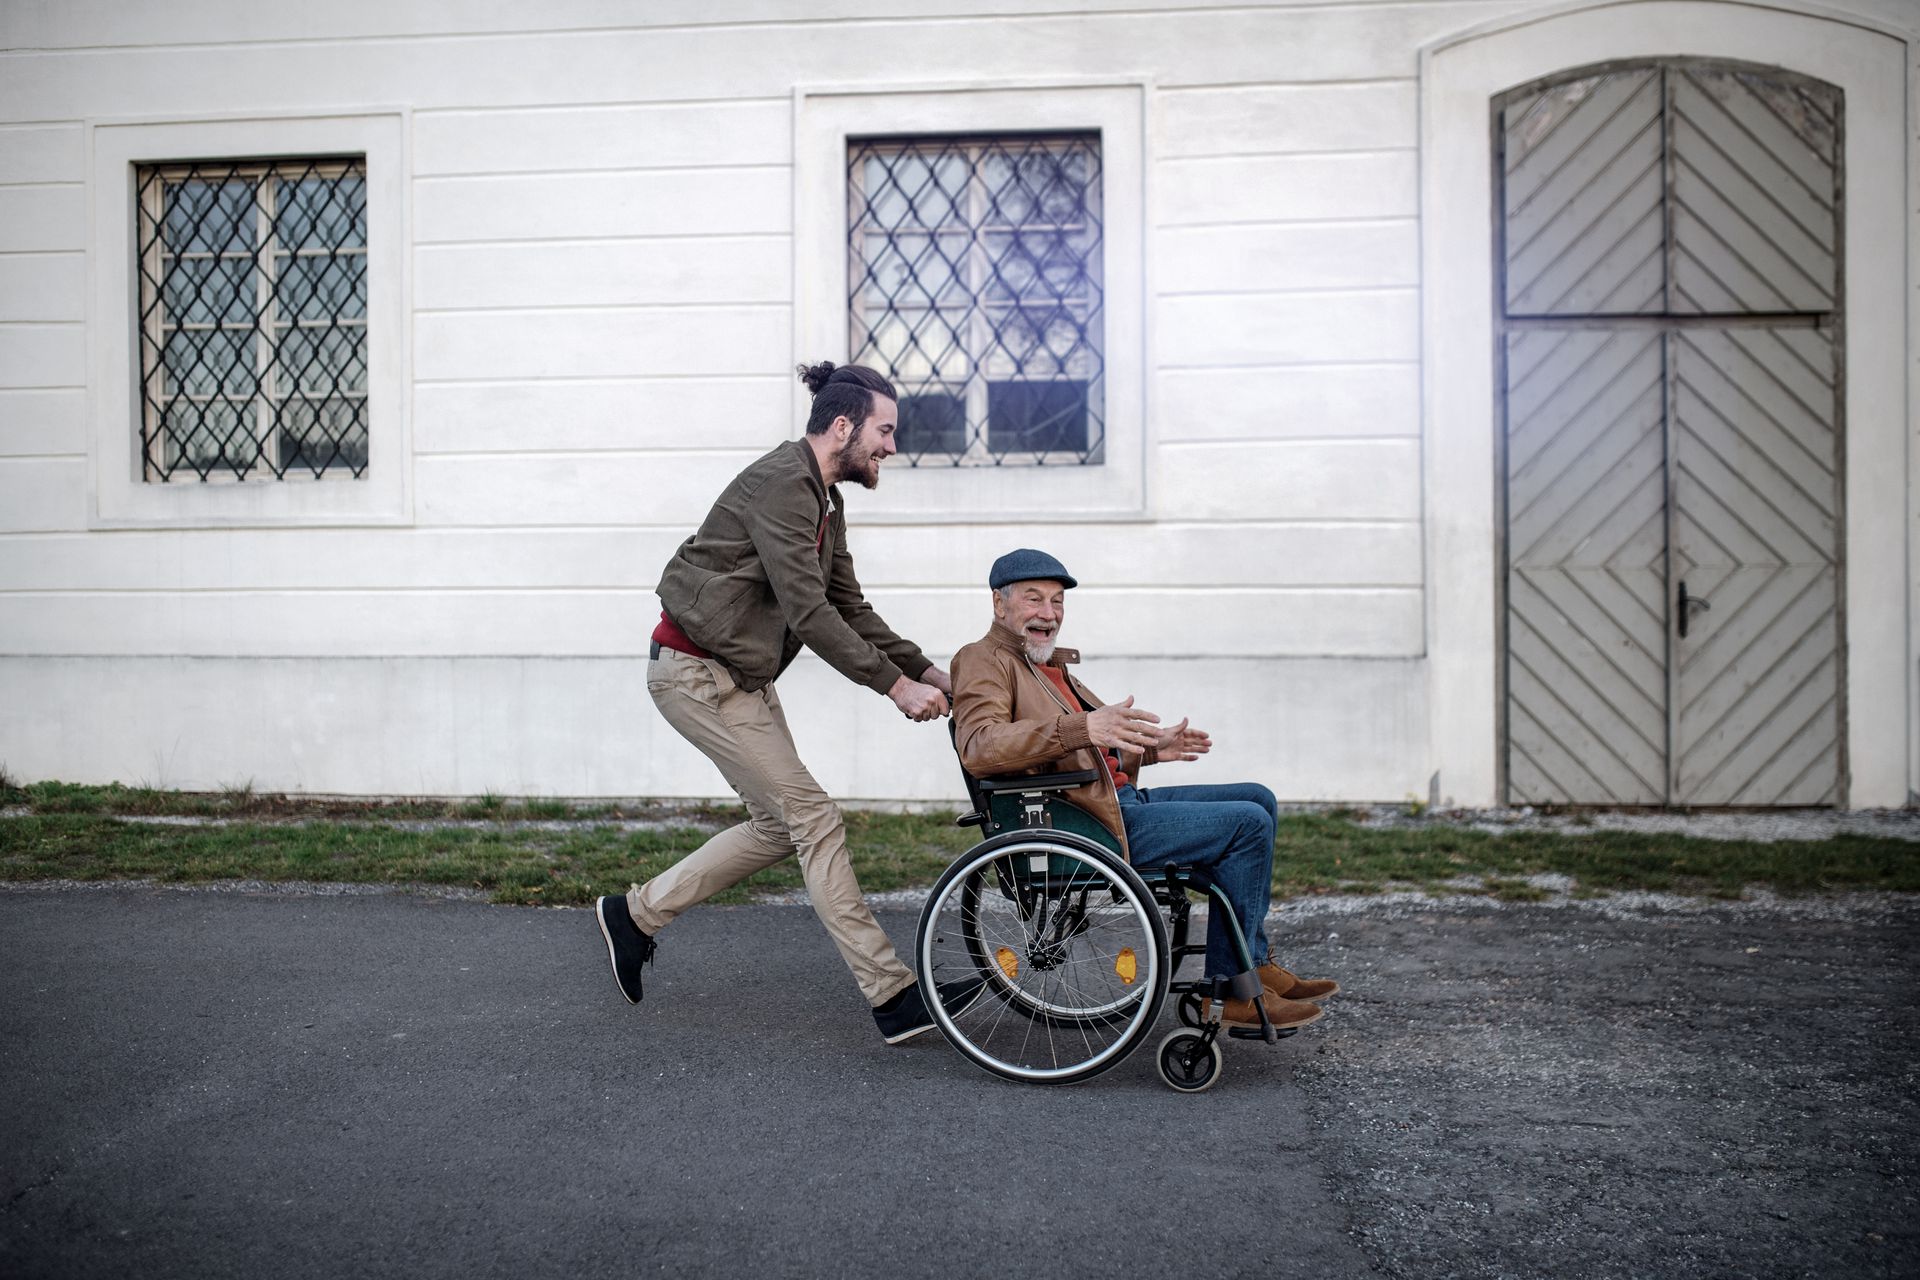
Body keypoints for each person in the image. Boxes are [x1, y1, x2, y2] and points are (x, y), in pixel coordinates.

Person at [595, 361, 961, 1044]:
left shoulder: (824, 499)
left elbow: (849, 606)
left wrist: (929, 671)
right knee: (815, 818)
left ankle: (635, 916)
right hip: (695, 675)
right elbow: (810, 612)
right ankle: (893, 996)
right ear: (844, 425)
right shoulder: (781, 487)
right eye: (885, 431)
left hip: (738, 677)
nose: (891, 446)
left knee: (778, 826)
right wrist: (894, 687)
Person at [949, 549, 1339, 1032]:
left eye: (1056, 602)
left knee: (1259, 798)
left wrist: (1151, 751)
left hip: (1110, 801)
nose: (1048, 615)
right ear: (999, 604)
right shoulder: (982, 660)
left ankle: (1252, 961)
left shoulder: (1044, 665)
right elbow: (981, 747)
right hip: (1077, 822)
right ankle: (1232, 986)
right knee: (1247, 824)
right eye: (1034, 600)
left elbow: (1086, 747)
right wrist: (1083, 727)